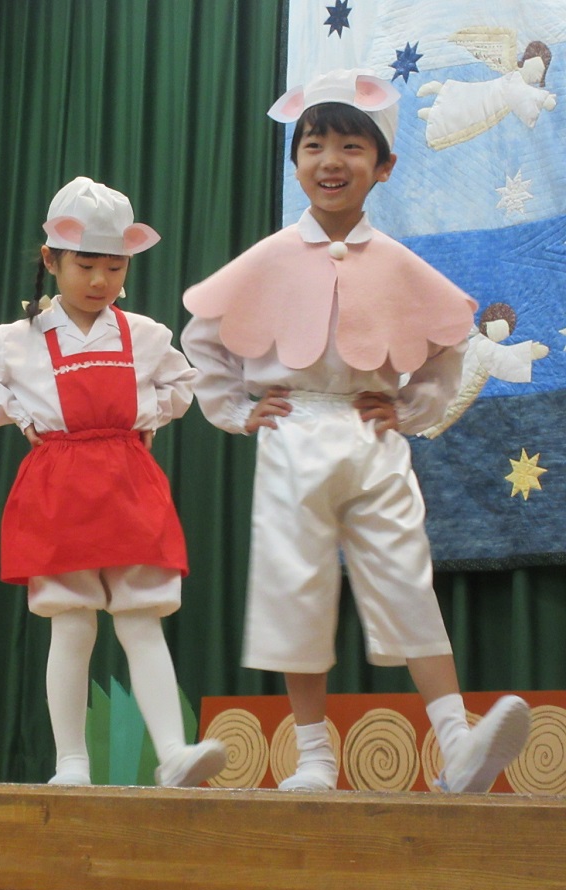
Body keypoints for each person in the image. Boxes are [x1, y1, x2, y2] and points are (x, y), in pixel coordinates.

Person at [181, 69, 530, 792]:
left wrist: (410, 410)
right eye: (313, 145)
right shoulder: (269, 257)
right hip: (295, 428)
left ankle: (458, 744)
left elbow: (449, 348)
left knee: (406, 577)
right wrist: (239, 410)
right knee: (294, 586)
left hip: (371, 436)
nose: (330, 160)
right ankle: (313, 754)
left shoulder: (399, 263)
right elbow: (202, 340)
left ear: (383, 165)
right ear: (295, 162)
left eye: (350, 146)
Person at [0, 178, 227, 787]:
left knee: (141, 616)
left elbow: (183, 384)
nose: (100, 280)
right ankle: (71, 762)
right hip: (59, 485)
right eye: (85, 265)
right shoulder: (18, 338)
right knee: (72, 622)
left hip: (128, 483)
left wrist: (146, 416)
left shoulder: (145, 334)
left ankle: (173, 753)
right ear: (51, 260)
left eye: (114, 266)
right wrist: (21, 415)